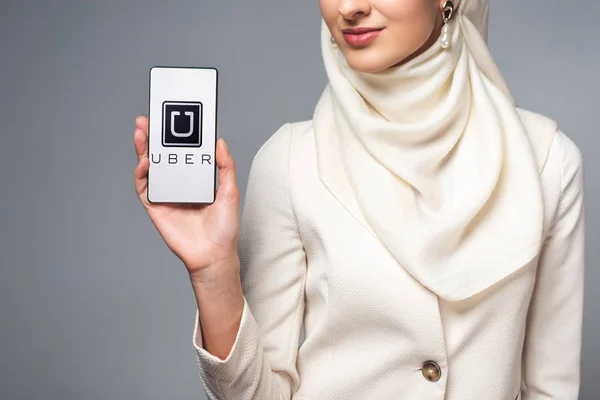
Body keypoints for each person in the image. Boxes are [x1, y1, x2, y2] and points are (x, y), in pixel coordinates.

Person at [132, 0, 586, 399]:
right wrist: (213, 274)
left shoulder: (545, 161)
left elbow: (552, 388)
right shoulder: (290, 161)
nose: (348, 7)